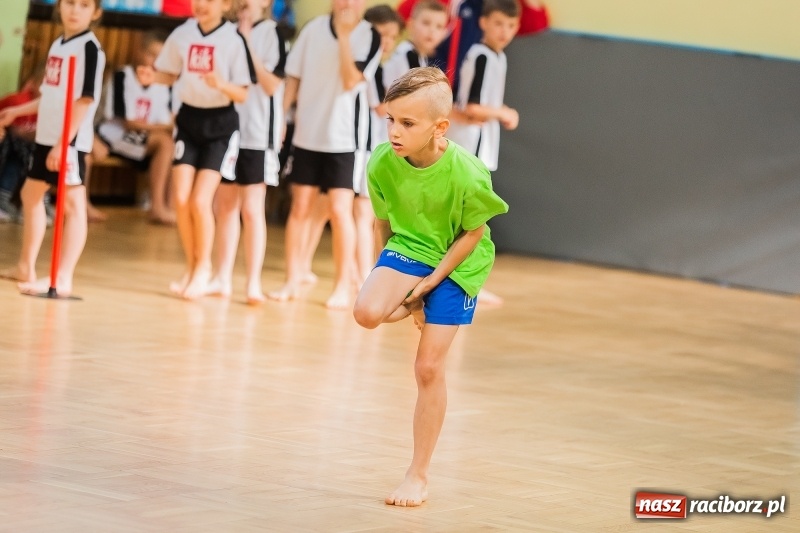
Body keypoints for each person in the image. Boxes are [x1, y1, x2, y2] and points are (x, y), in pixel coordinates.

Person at [352, 67, 508, 506]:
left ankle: (417, 474)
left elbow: (473, 234)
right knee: (365, 313)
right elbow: (384, 222)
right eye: (390, 119)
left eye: (407, 123)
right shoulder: (383, 161)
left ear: (441, 128)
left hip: (458, 263)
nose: (394, 132)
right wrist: (387, 271)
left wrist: (429, 285)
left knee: (427, 369)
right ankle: (414, 309)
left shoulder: (469, 173)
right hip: (409, 247)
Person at [268, 0, 381, 309]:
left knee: (340, 210)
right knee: (300, 207)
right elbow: (294, 77)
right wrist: (281, 118)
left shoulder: (369, 36)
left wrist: (344, 36)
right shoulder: (313, 30)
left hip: (345, 141)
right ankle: (292, 279)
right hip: (307, 135)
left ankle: (343, 286)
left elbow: (349, 80)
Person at [0, 0, 105, 296]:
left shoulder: (89, 49)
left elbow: (84, 100)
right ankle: (25, 266)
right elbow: (50, 94)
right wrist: (18, 112)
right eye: (69, 3)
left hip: (69, 141)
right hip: (47, 137)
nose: (75, 10)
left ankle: (63, 276)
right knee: (30, 194)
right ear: (59, 7)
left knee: (73, 205)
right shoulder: (58, 44)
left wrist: (64, 143)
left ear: (95, 13)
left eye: (84, 5)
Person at [152, 0, 255, 300]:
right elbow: (168, 74)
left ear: (225, 5)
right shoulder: (183, 34)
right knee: (181, 199)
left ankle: (204, 268)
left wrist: (221, 84)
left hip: (220, 126)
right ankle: (192, 266)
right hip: (188, 121)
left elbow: (243, 93)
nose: (202, 4)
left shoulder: (233, 40)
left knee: (200, 201)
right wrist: (152, 77)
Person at [205, 0, 286, 304]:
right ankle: (220, 277)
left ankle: (252, 282)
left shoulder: (272, 34)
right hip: (228, 130)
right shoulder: (224, 33)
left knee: (252, 209)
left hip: (258, 133)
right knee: (224, 206)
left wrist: (247, 39)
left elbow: (269, 84)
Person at [447, 0, 519, 306]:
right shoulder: (482, 56)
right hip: (468, 145)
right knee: (468, 219)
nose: (505, 31)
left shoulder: (497, 57)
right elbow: (471, 106)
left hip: (480, 145)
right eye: (499, 23)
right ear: (484, 22)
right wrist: (503, 112)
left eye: (511, 26)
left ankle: (466, 279)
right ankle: (462, 280)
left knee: (471, 218)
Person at [92, 30, 176, 224]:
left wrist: (159, 127)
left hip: (143, 138)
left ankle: (168, 205)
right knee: (165, 143)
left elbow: (169, 122)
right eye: (152, 54)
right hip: (112, 134)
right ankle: (157, 207)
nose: (156, 61)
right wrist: (159, 128)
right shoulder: (122, 76)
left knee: (173, 143)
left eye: (161, 57)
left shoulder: (165, 84)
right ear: (140, 53)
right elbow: (128, 122)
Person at [351, 4, 404, 286]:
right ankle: (362, 273)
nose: (386, 41)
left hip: (375, 148)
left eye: (392, 36)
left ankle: (360, 270)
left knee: (365, 212)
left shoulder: (383, 68)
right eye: (381, 33)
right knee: (361, 210)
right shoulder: (367, 68)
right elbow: (378, 108)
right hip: (363, 145)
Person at [0, 66, 44, 222]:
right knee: (18, 150)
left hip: (25, 147)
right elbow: (16, 132)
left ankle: (39, 203)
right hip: (8, 146)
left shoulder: (50, 107)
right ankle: (3, 200)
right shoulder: (18, 101)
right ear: (31, 83)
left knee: (38, 155)